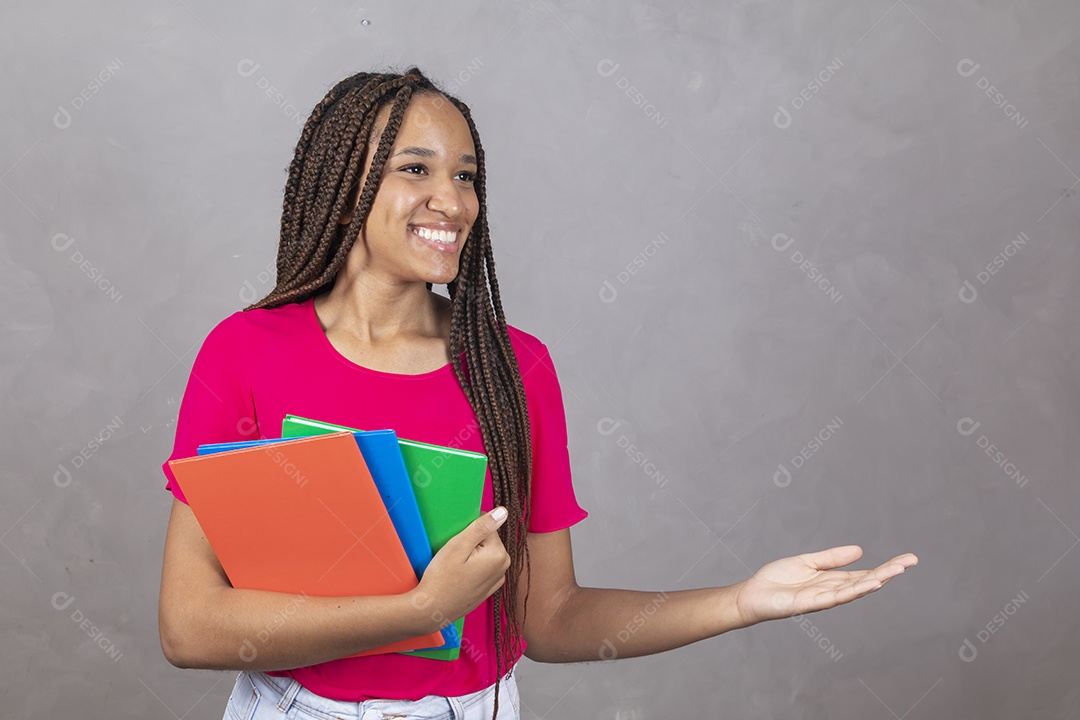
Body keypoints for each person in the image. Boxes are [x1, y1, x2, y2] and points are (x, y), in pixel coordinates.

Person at [157, 67, 918, 720]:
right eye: (415, 169)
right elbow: (189, 626)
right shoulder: (247, 351)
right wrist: (421, 612)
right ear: (343, 179)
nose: (451, 201)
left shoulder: (511, 369)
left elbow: (548, 618)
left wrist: (740, 601)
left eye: (466, 175)